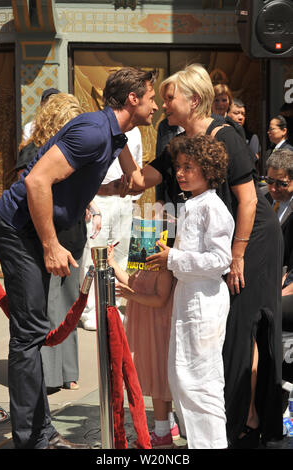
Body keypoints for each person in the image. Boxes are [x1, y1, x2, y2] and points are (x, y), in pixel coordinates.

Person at [115, 63, 284, 448]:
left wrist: (237, 255)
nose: (163, 106)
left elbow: (247, 200)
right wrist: (118, 136)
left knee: (242, 330)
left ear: (194, 99)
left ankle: (244, 421)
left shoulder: (227, 134)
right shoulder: (180, 142)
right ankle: (234, 421)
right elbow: (141, 180)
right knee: (224, 341)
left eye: (169, 98)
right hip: (220, 244)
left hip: (250, 240)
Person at [0, 66, 158, 449]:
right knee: (29, 333)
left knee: (33, 331)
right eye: (151, 98)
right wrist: (51, 245)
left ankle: (42, 432)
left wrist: (111, 185)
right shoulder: (94, 131)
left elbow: (132, 183)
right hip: (20, 230)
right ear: (132, 99)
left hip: (40, 229)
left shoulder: (116, 134)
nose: (155, 106)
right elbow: (36, 181)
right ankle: (32, 438)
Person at [147, 134, 234, 449]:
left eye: (189, 167)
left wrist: (173, 257)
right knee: (182, 377)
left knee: (201, 381)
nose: (180, 173)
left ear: (208, 170)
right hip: (188, 297)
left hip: (204, 300)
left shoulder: (213, 207)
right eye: (178, 167)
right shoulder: (190, 205)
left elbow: (221, 260)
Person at [17, 92, 87, 392]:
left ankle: (68, 371)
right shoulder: (32, 147)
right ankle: (49, 373)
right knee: (48, 303)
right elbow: (26, 186)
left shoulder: (77, 145)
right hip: (45, 233)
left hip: (73, 232)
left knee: (70, 301)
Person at [107, 243, 179, 449]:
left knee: (157, 375)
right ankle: (168, 424)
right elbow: (133, 282)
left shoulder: (164, 268)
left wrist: (130, 296)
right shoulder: (145, 263)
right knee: (155, 374)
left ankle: (162, 430)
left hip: (157, 328)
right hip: (147, 326)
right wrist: (112, 262)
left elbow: (160, 299)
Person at [79, 126, 143, 331]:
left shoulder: (135, 133)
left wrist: (133, 198)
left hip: (124, 200)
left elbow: (137, 164)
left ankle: (111, 306)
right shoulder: (98, 129)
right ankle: (90, 309)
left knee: (120, 254)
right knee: (94, 253)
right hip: (99, 197)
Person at [263, 149, 293, 389]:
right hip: (267, 278)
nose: (273, 188)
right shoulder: (264, 201)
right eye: (269, 181)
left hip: (287, 283)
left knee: (270, 312)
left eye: (281, 183)